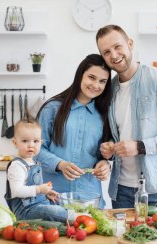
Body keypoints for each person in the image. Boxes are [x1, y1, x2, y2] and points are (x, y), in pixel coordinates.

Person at [96, 25, 157, 209]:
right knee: (122, 238)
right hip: (121, 189)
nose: (114, 55)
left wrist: (139, 147)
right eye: (106, 52)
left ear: (130, 43)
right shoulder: (109, 89)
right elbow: (119, 134)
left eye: (117, 47)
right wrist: (109, 149)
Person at [35, 54, 112, 208]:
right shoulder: (52, 108)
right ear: (80, 75)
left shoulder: (105, 114)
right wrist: (60, 164)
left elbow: (105, 153)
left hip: (90, 199)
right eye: (91, 77)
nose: (96, 85)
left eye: (102, 81)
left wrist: (105, 164)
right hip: (53, 197)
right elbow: (36, 149)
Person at [4, 116, 75, 222]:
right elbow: (17, 190)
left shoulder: (34, 163)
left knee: (61, 204)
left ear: (41, 143)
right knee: (57, 213)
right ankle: (80, 219)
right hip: (25, 210)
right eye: (25, 141)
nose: (31, 145)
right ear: (15, 143)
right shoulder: (17, 166)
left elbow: (32, 188)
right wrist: (39, 189)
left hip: (38, 205)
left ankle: (75, 217)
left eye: (36, 141)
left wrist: (45, 193)